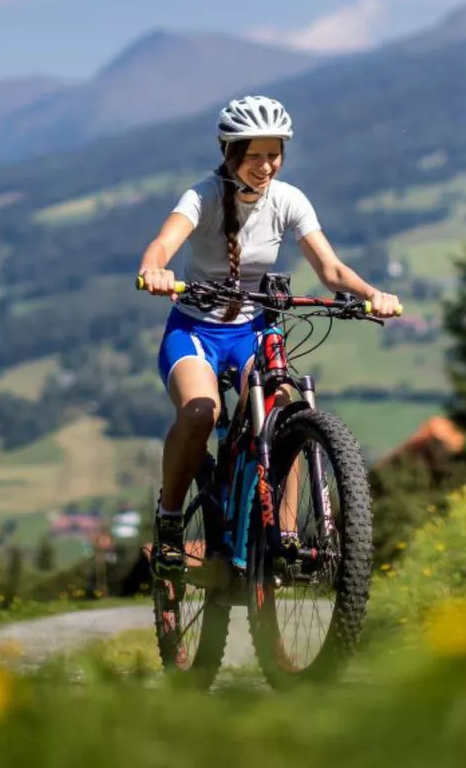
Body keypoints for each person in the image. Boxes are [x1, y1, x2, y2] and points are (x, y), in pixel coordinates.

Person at [137, 94, 401, 574]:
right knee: (201, 413)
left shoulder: (289, 200)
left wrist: (372, 293)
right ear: (229, 153)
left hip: (253, 328)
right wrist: (154, 269)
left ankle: (281, 536)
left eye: (273, 153)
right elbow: (164, 243)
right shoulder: (202, 196)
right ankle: (171, 519)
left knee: (283, 408)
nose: (265, 165)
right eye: (254, 154)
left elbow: (331, 268)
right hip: (195, 331)